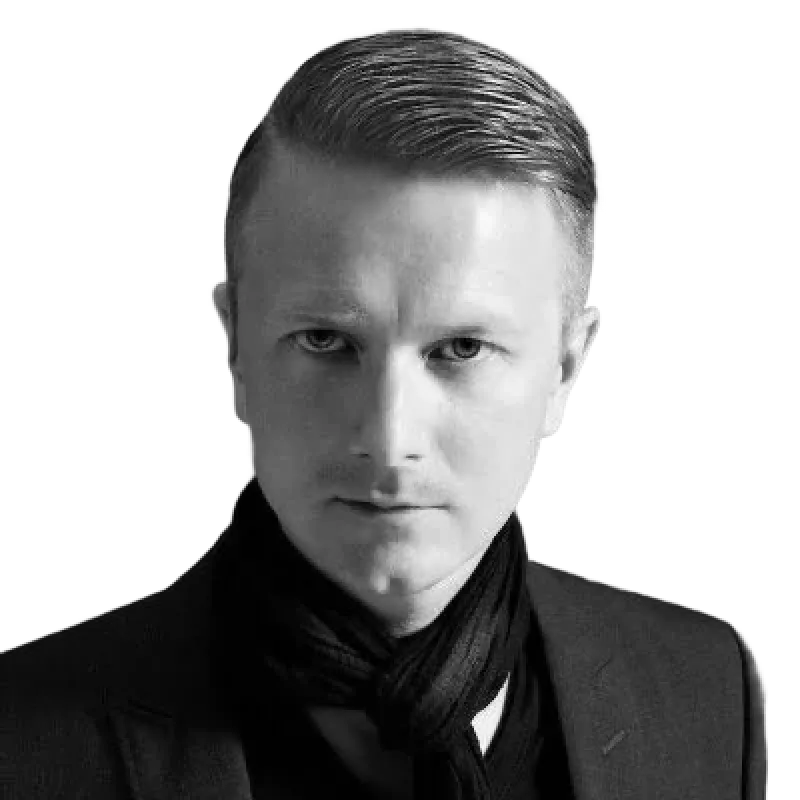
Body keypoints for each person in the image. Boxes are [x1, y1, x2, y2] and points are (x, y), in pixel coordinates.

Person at [0, 26, 766, 799]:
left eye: (461, 348)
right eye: (326, 341)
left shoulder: (708, 690)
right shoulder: (18, 739)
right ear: (232, 344)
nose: (389, 440)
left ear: (568, 369)